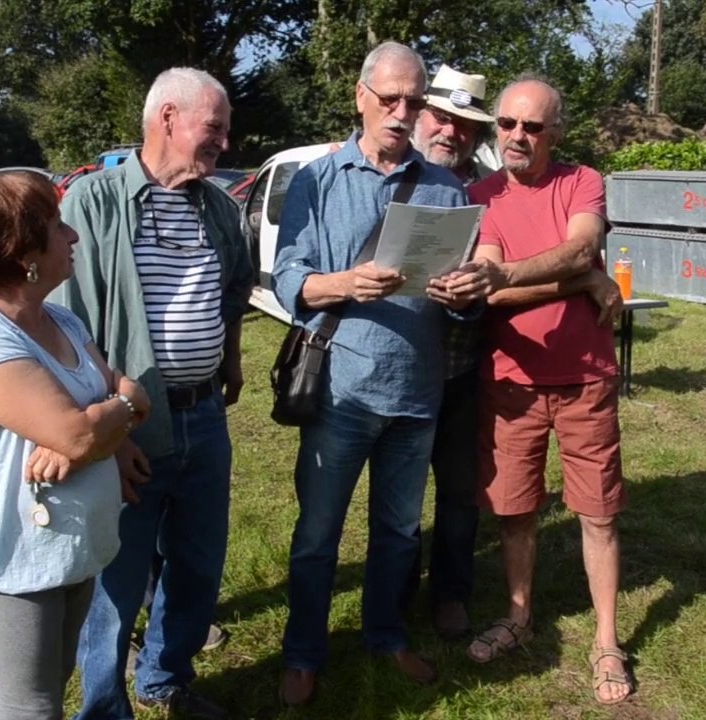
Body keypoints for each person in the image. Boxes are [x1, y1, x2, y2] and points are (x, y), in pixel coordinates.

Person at [271, 41, 500, 707]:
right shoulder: (319, 179)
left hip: (418, 392)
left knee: (399, 532)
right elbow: (289, 280)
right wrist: (345, 283)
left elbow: (460, 301)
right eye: (390, 99)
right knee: (319, 534)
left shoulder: (445, 187)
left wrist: (463, 298)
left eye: (412, 101)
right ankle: (304, 651)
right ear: (360, 96)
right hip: (342, 387)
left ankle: (385, 635)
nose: (402, 113)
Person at [51, 67, 253, 720]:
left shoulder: (222, 208)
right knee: (116, 577)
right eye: (214, 128)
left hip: (204, 417)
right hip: (127, 427)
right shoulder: (92, 203)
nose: (224, 143)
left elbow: (231, 296)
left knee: (198, 566)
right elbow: (66, 331)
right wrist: (107, 440)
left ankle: (166, 681)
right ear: (168, 118)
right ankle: (106, 708)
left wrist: (230, 361)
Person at [0, 171, 151, 720]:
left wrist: (109, 417)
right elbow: (82, 430)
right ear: (25, 251)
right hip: (17, 553)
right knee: (29, 706)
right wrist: (114, 416)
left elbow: (114, 390)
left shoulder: (59, 318)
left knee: (53, 682)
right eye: (58, 227)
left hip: (71, 545)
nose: (74, 236)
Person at [463, 74, 634, 706]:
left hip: (585, 379)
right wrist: (583, 282)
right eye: (507, 124)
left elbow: (580, 246)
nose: (516, 136)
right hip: (511, 381)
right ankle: (517, 615)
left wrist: (574, 269)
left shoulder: (583, 180)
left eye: (532, 127)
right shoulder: (478, 195)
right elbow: (492, 290)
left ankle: (608, 640)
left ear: (554, 132)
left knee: (599, 512)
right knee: (515, 510)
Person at [400, 63, 497, 640]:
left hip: (461, 369)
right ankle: (398, 591)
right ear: (418, 114)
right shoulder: (387, 174)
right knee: (401, 494)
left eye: (464, 124)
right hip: (401, 372)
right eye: (442, 117)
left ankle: (451, 593)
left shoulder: (486, 195)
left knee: (461, 492)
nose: (450, 131)